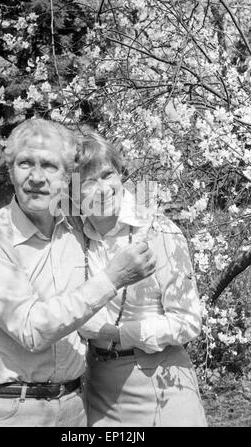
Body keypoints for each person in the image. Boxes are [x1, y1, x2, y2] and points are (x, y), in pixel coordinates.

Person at [0, 118, 155, 427]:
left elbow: (118, 199)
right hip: (12, 410)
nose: (36, 177)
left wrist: (153, 222)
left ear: (66, 177)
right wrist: (113, 278)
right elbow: (31, 330)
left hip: (75, 406)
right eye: (25, 163)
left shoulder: (75, 229)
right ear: (11, 172)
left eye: (49, 166)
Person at [77, 132, 208, 427]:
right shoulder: (75, 239)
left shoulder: (159, 231)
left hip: (161, 381)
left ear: (121, 174)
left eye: (107, 174)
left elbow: (188, 322)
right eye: (88, 181)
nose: (102, 189)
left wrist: (116, 334)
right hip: (98, 386)